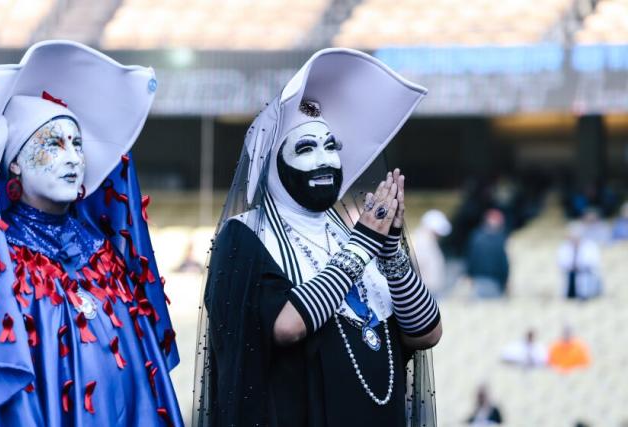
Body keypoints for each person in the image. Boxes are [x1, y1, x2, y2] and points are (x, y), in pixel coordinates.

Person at [194, 49, 442, 427]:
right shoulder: (245, 235)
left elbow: (426, 332)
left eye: (331, 147)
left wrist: (390, 251)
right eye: (306, 149)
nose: (324, 160)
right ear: (273, 163)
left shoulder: (352, 233)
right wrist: (361, 246)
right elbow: (286, 326)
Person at [0, 41, 182, 426]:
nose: (74, 158)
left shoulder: (106, 258)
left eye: (77, 144)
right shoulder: (4, 269)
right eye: (53, 145)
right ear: (14, 165)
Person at [466, 209, 509, 298]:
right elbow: (503, 262)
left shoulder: (476, 237)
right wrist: (505, 280)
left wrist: (469, 274)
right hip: (494, 282)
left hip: (478, 280)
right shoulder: (500, 239)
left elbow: (470, 258)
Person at [557, 223, 602, 300]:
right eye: (572, 237)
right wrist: (571, 266)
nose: (574, 239)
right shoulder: (564, 247)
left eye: (576, 237)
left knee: (585, 284)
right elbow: (561, 262)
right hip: (570, 273)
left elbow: (593, 262)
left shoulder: (590, 246)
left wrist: (580, 266)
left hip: (586, 273)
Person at [412, 209, 452, 296]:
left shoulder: (429, 241)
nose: (439, 235)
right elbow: (418, 266)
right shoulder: (421, 242)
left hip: (431, 290)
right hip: (426, 290)